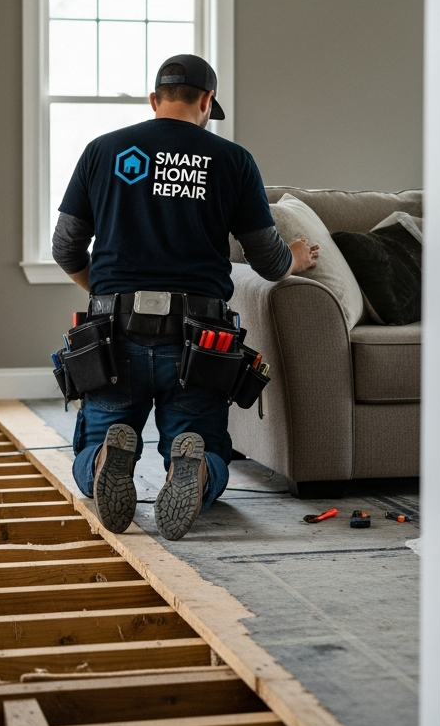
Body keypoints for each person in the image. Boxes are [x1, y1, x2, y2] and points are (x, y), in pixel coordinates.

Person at [52, 54, 319, 540]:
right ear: (207, 101)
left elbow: (65, 246)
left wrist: (109, 294)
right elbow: (268, 261)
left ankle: (107, 459)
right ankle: (190, 468)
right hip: (202, 340)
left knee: (90, 452)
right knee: (206, 449)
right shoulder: (233, 160)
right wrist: (295, 258)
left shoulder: (102, 151)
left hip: (114, 332)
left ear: (154, 100)